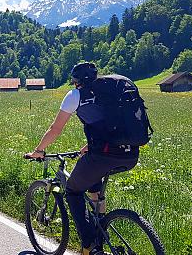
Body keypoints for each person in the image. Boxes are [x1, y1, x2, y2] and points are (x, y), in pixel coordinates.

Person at [26, 62, 140, 255]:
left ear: (76, 81)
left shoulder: (75, 96)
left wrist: (39, 150)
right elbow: (110, 125)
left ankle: (89, 245)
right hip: (130, 154)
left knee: (72, 191)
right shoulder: (110, 92)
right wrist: (90, 146)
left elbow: (55, 129)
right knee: (94, 186)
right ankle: (101, 234)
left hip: (104, 156)